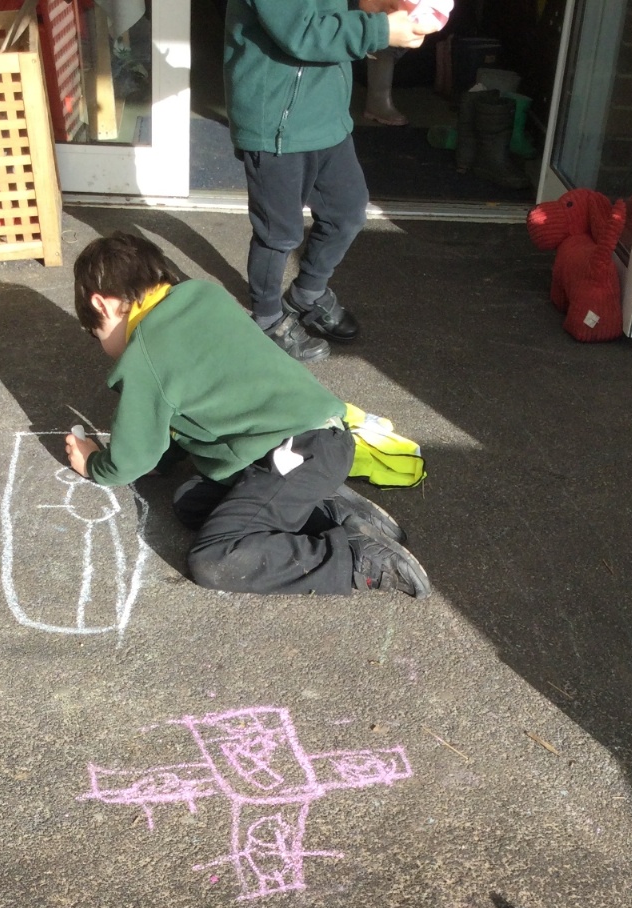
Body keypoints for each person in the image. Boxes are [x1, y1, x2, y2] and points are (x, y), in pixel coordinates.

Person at [64, 232, 431, 599]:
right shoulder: (203, 295)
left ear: (102, 305)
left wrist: (94, 463)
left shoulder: (144, 354)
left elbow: (130, 460)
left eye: (97, 334)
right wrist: (164, 458)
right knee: (191, 502)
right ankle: (333, 511)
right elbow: (189, 399)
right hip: (323, 441)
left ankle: (356, 560)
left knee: (215, 558)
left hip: (293, 454)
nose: (104, 346)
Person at [224, 0, 432, 362]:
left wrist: (382, 7)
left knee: (346, 211)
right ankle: (267, 319)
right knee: (279, 233)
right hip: (276, 123)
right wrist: (381, 30)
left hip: (326, 115)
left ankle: (306, 294)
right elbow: (303, 32)